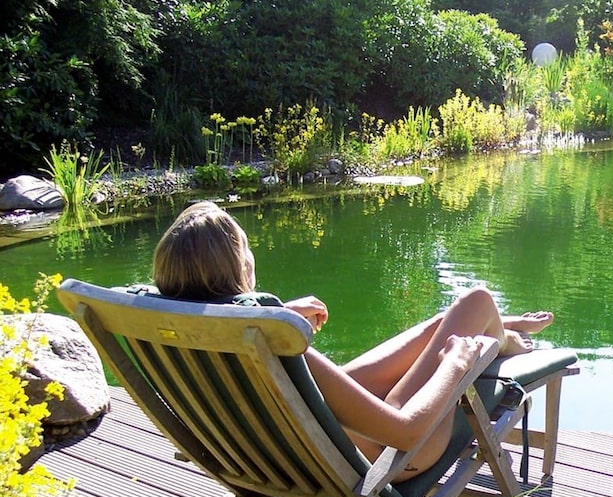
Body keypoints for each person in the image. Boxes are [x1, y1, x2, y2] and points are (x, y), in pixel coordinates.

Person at [152, 201, 554, 480]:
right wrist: (457, 364)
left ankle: (490, 325)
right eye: (248, 250)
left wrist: (277, 316)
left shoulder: (184, 342)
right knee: (476, 299)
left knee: (457, 317)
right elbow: (406, 432)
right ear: (241, 270)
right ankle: (496, 337)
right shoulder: (267, 339)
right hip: (386, 455)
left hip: (293, 456)